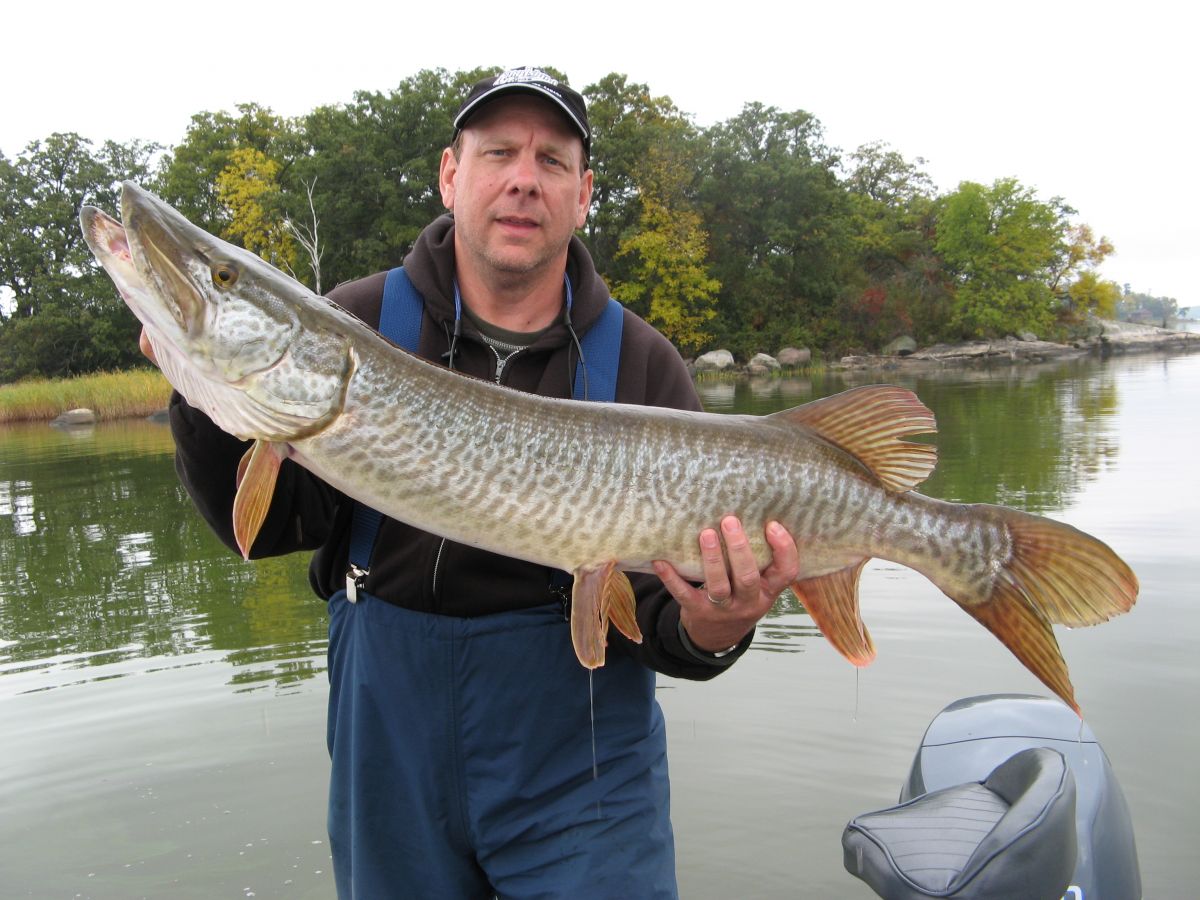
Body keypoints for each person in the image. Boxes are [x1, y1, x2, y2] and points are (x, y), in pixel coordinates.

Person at [152, 66, 799, 899]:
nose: (524, 178)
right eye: (498, 152)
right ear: (451, 175)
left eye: (552, 160)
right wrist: (203, 390)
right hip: (391, 753)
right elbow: (270, 527)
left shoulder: (642, 364)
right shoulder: (357, 322)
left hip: (583, 768)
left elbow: (669, 619)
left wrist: (719, 626)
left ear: (583, 193)